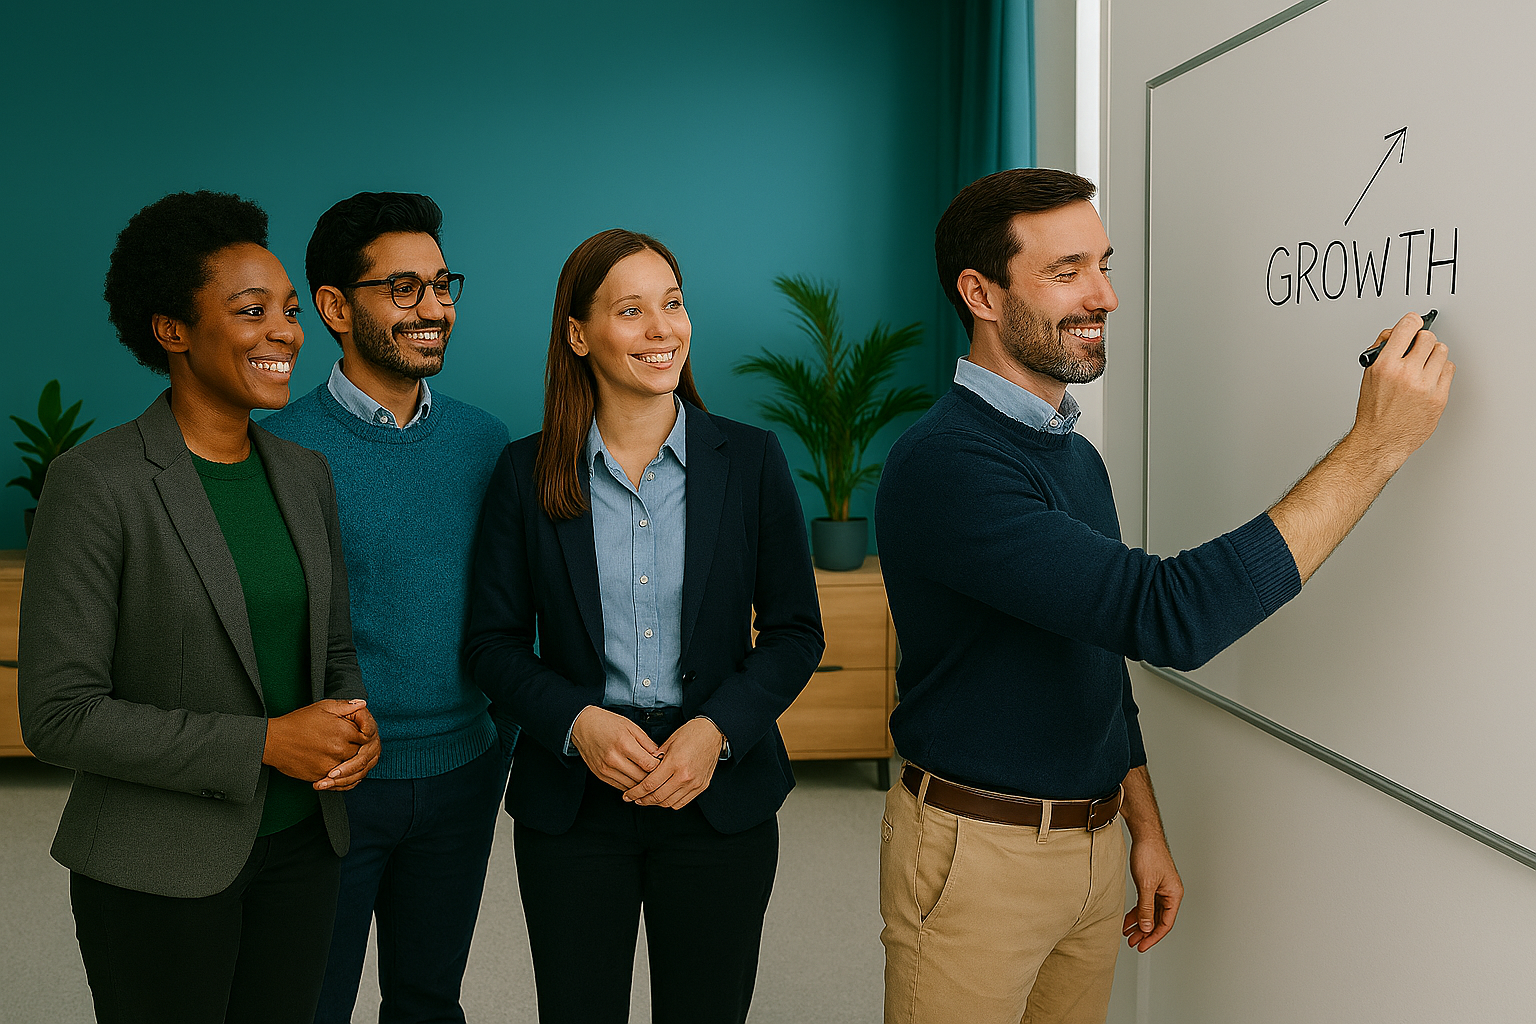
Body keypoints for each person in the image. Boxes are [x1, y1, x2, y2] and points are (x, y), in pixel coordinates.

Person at [874, 168, 1453, 1024]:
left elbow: (1098, 652)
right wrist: (1374, 446)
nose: (1104, 295)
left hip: (1095, 844)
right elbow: (1165, 614)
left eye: (1104, 264)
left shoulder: (1072, 454)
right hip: (977, 857)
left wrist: (1138, 822)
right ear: (980, 293)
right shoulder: (948, 466)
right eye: (1067, 270)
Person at [18, 190, 380, 1024]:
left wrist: (354, 724)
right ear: (172, 330)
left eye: (289, 311)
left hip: (304, 850)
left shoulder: (303, 474)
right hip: (156, 865)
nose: (285, 333)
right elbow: (61, 716)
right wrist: (265, 742)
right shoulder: (96, 484)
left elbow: (330, 648)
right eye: (252, 312)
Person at [465, 228, 824, 1024]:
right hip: (574, 806)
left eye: (672, 303)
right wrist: (575, 722)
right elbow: (490, 645)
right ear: (578, 333)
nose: (663, 329)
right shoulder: (524, 474)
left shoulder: (754, 460)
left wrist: (716, 733)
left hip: (716, 792)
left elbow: (797, 631)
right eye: (632, 310)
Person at [262, 191, 512, 1024]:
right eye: (403, 288)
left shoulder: (486, 442)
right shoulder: (278, 448)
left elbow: (510, 611)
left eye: (442, 285)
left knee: (429, 1002)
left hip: (464, 774)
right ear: (334, 306)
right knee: (308, 1002)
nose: (434, 307)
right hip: (330, 787)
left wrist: (497, 741)